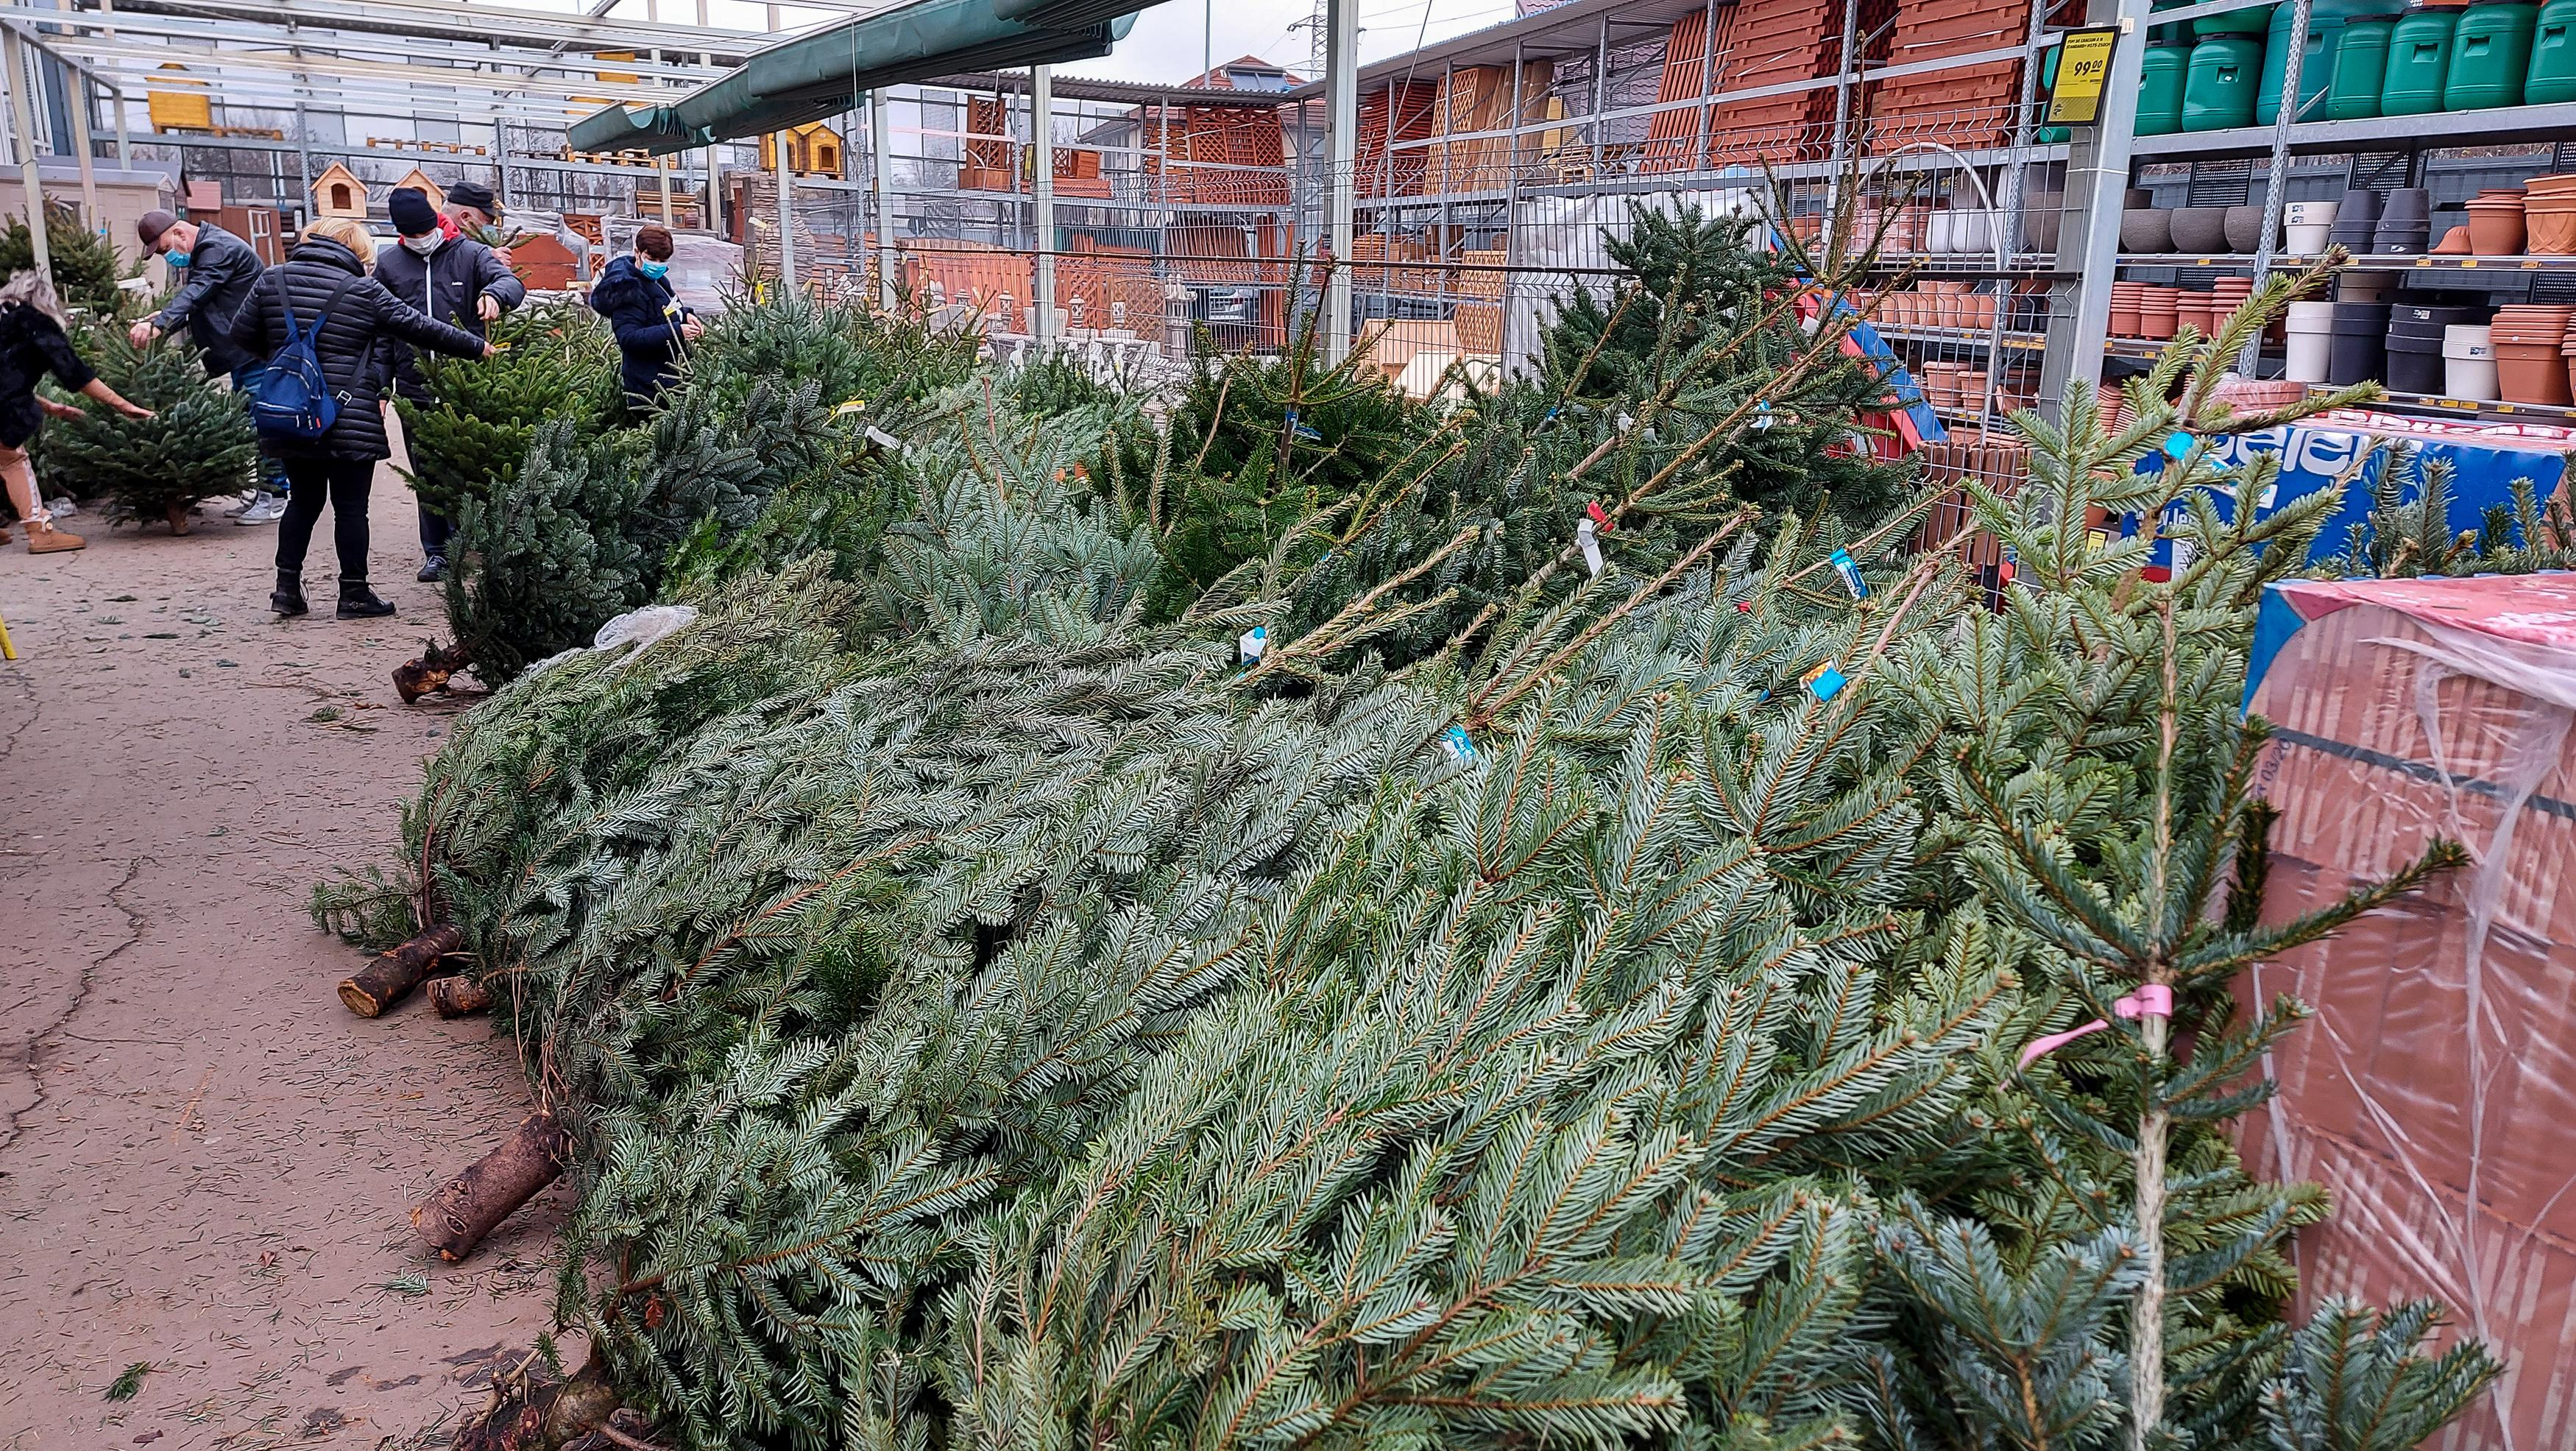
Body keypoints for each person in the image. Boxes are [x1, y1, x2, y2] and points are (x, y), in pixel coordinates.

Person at [236, 215, 495, 619]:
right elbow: (419, 327)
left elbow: (240, 334)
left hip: (292, 410)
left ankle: (286, 590)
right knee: (351, 508)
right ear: (356, 251)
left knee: (302, 500)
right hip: (348, 413)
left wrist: (286, 358)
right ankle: (354, 594)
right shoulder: (363, 290)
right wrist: (476, 346)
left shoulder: (273, 280)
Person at [374, 186, 525, 582]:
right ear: (400, 233)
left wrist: (495, 294)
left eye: (426, 230)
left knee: (473, 464)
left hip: (467, 384)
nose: (422, 238)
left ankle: (476, 539)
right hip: (415, 387)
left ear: (435, 222)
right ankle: (437, 552)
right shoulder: (389, 265)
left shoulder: (469, 255)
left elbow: (511, 283)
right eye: (412, 234)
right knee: (425, 471)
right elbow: (382, 333)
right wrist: (380, 388)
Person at [131, 208, 291, 524]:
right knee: (253, 424)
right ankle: (264, 493)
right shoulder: (208, 250)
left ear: (179, 233)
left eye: (165, 249)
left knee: (265, 425)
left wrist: (160, 325)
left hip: (255, 353)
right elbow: (203, 301)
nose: (168, 257)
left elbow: (196, 293)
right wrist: (163, 318)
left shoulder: (218, 249)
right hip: (244, 352)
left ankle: (276, 496)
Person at [0, 272, 152, 553]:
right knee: (12, 460)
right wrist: (124, 405)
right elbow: (76, 373)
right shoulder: (38, 324)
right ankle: (40, 531)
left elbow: (6, 381)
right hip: (6, 413)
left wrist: (51, 407)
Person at [588, 225, 701, 414]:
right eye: (652, 259)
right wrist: (676, 331)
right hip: (650, 391)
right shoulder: (628, 290)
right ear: (637, 253)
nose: (657, 265)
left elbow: (668, 306)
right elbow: (629, 338)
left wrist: (686, 314)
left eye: (662, 261)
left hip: (673, 379)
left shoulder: (658, 280)